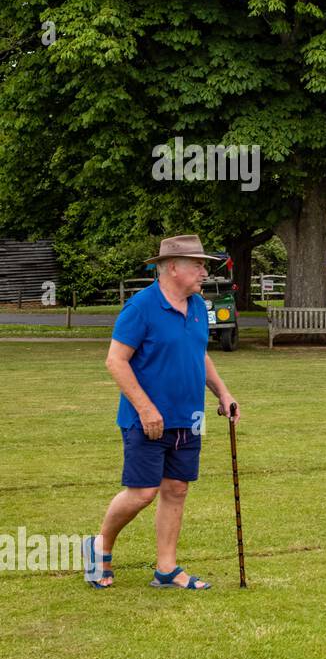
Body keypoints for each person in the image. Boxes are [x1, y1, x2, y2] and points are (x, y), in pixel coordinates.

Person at [83, 236, 240, 590]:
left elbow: (199, 353)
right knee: (142, 492)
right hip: (146, 420)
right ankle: (99, 547)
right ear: (172, 267)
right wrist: (146, 407)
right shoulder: (141, 308)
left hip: (190, 417)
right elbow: (115, 360)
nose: (204, 271)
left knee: (177, 488)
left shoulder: (198, 306)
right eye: (197, 265)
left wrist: (223, 392)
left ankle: (166, 569)